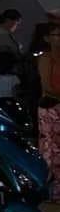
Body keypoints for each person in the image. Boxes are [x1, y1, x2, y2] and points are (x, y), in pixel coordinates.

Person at [36, 25, 60, 201]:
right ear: (47, 38)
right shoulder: (46, 58)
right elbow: (47, 87)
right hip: (50, 108)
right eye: (56, 35)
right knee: (48, 150)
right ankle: (48, 190)